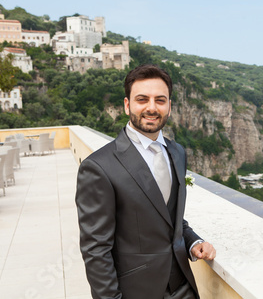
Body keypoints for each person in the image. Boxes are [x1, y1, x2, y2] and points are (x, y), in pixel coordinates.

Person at [75, 64, 216, 298]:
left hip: (184, 287)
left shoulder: (177, 152)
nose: (152, 107)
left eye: (160, 100)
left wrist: (193, 242)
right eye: (142, 99)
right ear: (127, 105)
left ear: (169, 106)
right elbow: (96, 250)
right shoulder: (98, 167)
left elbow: (170, 218)